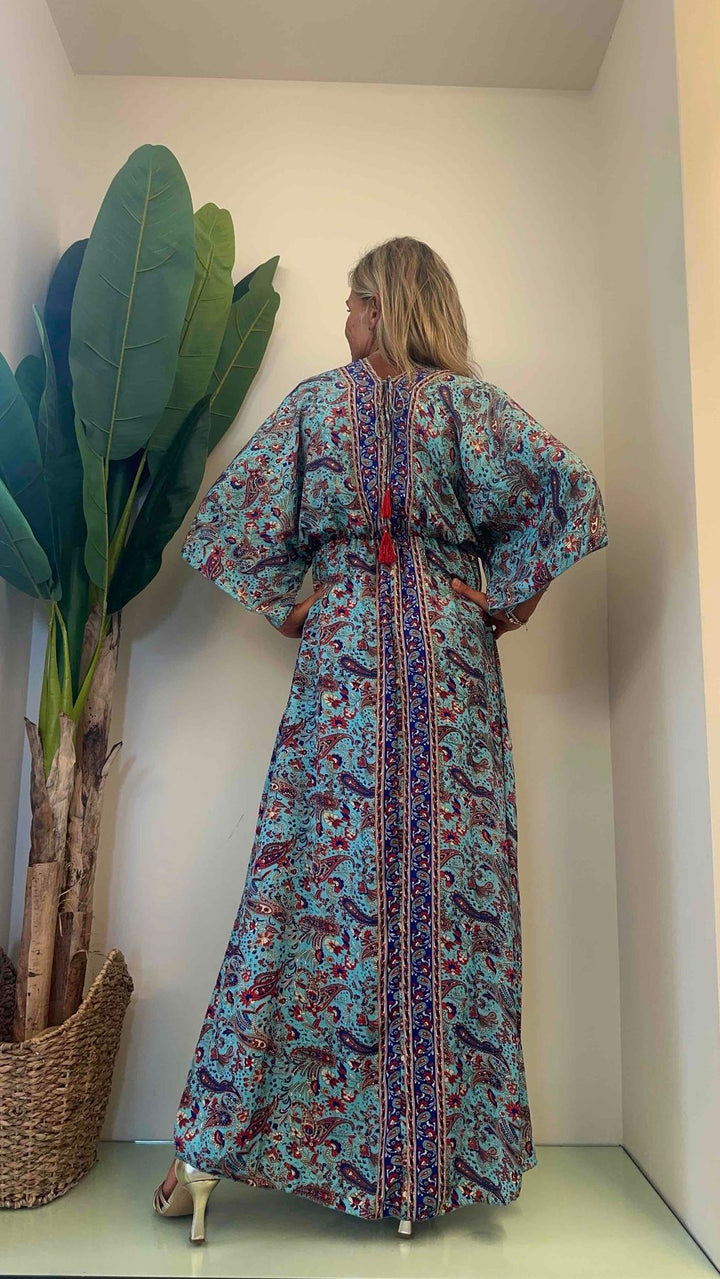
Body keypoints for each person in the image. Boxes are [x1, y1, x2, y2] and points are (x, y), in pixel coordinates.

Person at [152, 236, 609, 1244]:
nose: (346, 319)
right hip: (407, 663)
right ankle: (368, 1160)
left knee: (378, 891)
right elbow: (230, 521)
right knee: (375, 889)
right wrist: (497, 597)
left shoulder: (392, 407)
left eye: (357, 301)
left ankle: (362, 1157)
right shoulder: (403, 407)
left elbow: (572, 494)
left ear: (390, 305)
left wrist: (496, 593)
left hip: (387, 661)